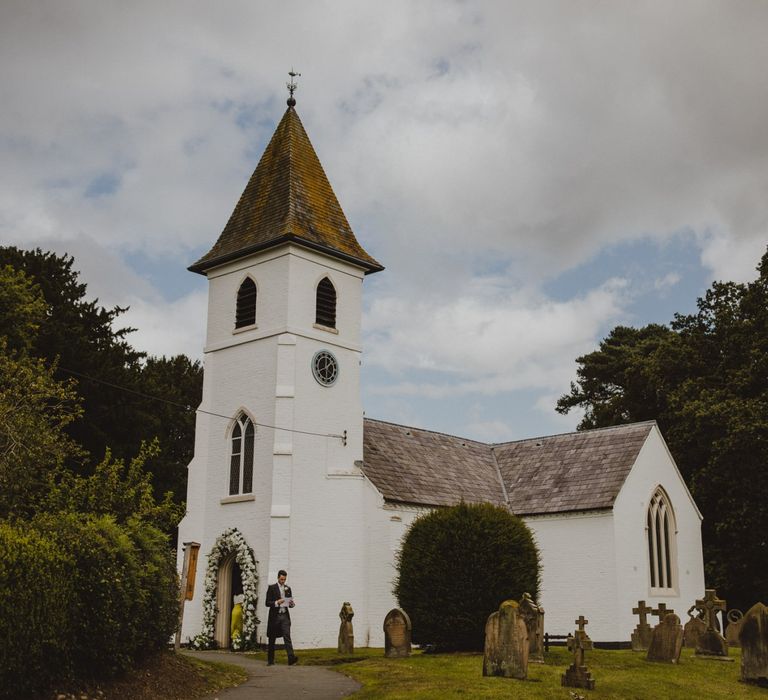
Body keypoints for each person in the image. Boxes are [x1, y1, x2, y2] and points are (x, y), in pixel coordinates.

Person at [265, 569, 298, 665]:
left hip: (284, 616)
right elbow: (267, 603)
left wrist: (292, 604)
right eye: (281, 579)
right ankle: (270, 660)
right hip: (275, 616)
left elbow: (289, 603)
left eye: (284, 579)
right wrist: (276, 602)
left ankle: (291, 659)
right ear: (278, 578)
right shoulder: (272, 588)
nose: (283, 581)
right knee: (272, 638)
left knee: (287, 636)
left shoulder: (288, 588)